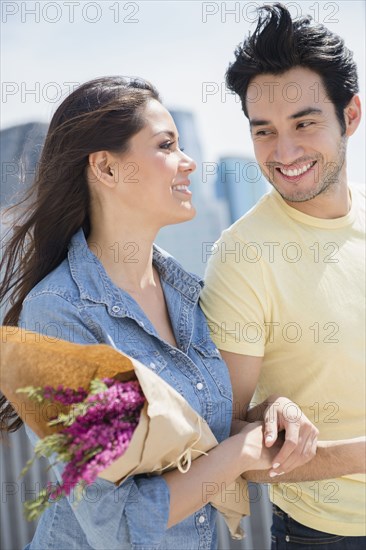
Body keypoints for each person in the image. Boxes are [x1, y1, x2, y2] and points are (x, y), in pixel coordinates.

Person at [0, 76, 320, 549]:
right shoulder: (58, 315)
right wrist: (239, 454)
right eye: (166, 145)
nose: (189, 162)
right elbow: (119, 526)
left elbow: (194, 435)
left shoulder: (184, 292)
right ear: (106, 169)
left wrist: (271, 413)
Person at [200, 3, 365, 548]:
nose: (285, 151)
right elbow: (225, 442)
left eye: (305, 122)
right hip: (328, 536)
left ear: (352, 116)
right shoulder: (243, 256)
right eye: (264, 131)